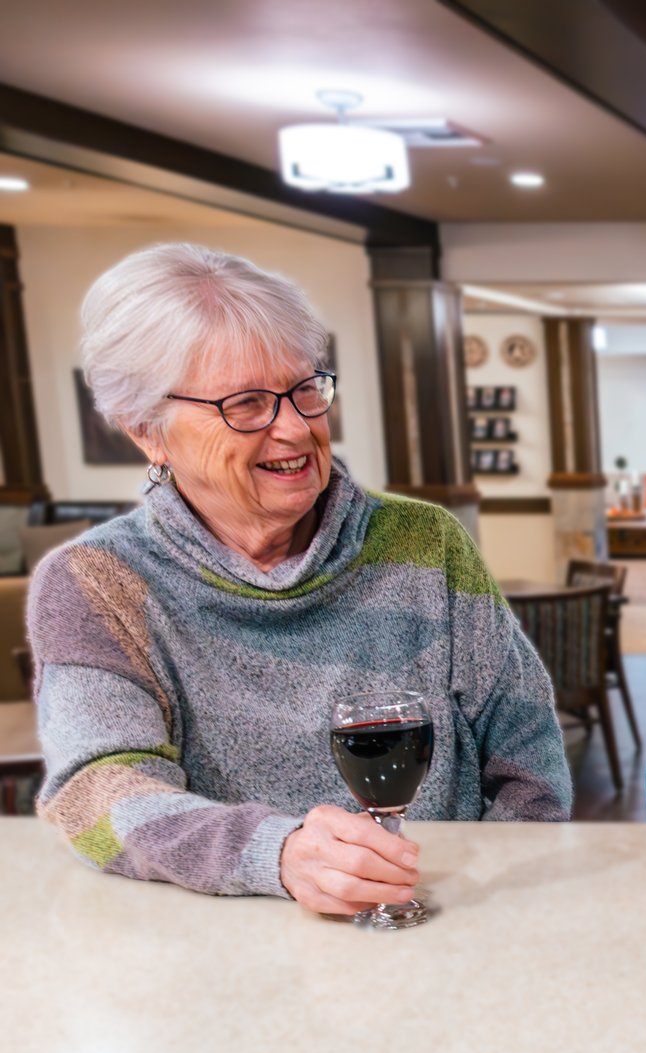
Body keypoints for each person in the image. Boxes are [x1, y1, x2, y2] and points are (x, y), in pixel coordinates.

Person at [29, 243, 570, 915]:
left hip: (439, 915)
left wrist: (490, 904)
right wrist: (276, 856)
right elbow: (99, 792)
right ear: (148, 432)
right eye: (248, 404)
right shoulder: (95, 582)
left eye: (305, 388)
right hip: (225, 936)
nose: (295, 428)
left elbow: (527, 756)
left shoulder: (425, 543)